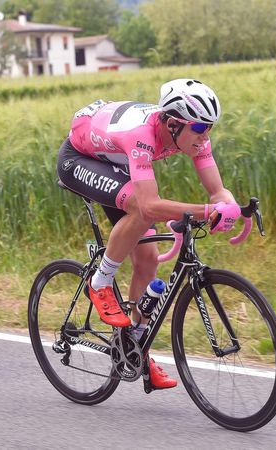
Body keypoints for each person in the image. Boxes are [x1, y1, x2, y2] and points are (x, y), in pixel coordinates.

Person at [57, 79, 241, 389]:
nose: (206, 135)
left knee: (148, 260)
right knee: (143, 211)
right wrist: (208, 211)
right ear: (172, 124)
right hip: (79, 159)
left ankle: (133, 350)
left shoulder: (195, 137)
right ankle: (99, 282)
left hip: (115, 162)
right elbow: (150, 206)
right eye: (199, 127)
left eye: (210, 127)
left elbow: (217, 190)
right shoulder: (141, 135)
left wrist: (231, 206)